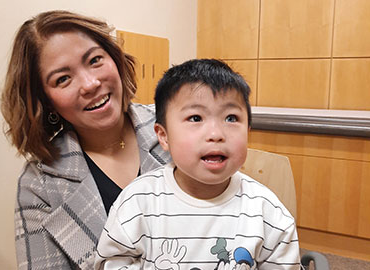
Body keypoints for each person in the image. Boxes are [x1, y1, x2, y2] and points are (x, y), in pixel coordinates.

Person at [0, 10, 171, 270]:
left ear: (114, 59)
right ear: (46, 102)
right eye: (63, 79)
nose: (90, 84)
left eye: (94, 60)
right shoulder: (39, 186)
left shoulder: (178, 126)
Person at [94, 59, 301, 270]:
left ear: (248, 130)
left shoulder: (268, 212)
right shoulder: (138, 201)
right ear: (164, 136)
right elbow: (111, 262)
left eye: (231, 118)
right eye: (195, 118)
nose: (216, 134)